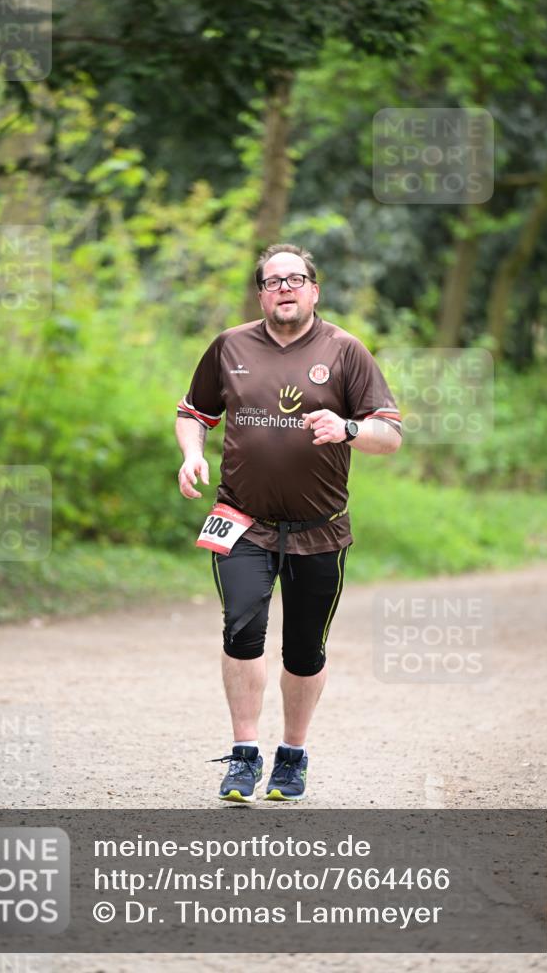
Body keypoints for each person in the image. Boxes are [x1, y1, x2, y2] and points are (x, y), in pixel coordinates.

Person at [175, 243, 402, 803]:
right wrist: (192, 453)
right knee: (241, 632)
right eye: (273, 281)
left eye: (295, 279)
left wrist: (349, 429)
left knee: (303, 652)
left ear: (314, 290)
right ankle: (244, 755)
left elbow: (390, 435)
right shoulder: (229, 346)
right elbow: (193, 412)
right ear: (261, 294)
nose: (284, 288)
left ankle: (292, 756)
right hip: (241, 521)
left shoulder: (345, 351)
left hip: (320, 528)